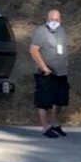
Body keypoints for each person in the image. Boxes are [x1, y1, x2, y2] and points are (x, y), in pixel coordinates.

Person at [30, 9, 70, 138]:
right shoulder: (41, 31)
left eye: (57, 19)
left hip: (60, 72)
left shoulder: (61, 31)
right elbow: (33, 50)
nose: (54, 22)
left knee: (59, 100)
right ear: (47, 19)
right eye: (52, 19)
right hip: (45, 73)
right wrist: (44, 67)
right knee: (44, 101)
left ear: (60, 20)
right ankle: (45, 128)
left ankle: (54, 124)